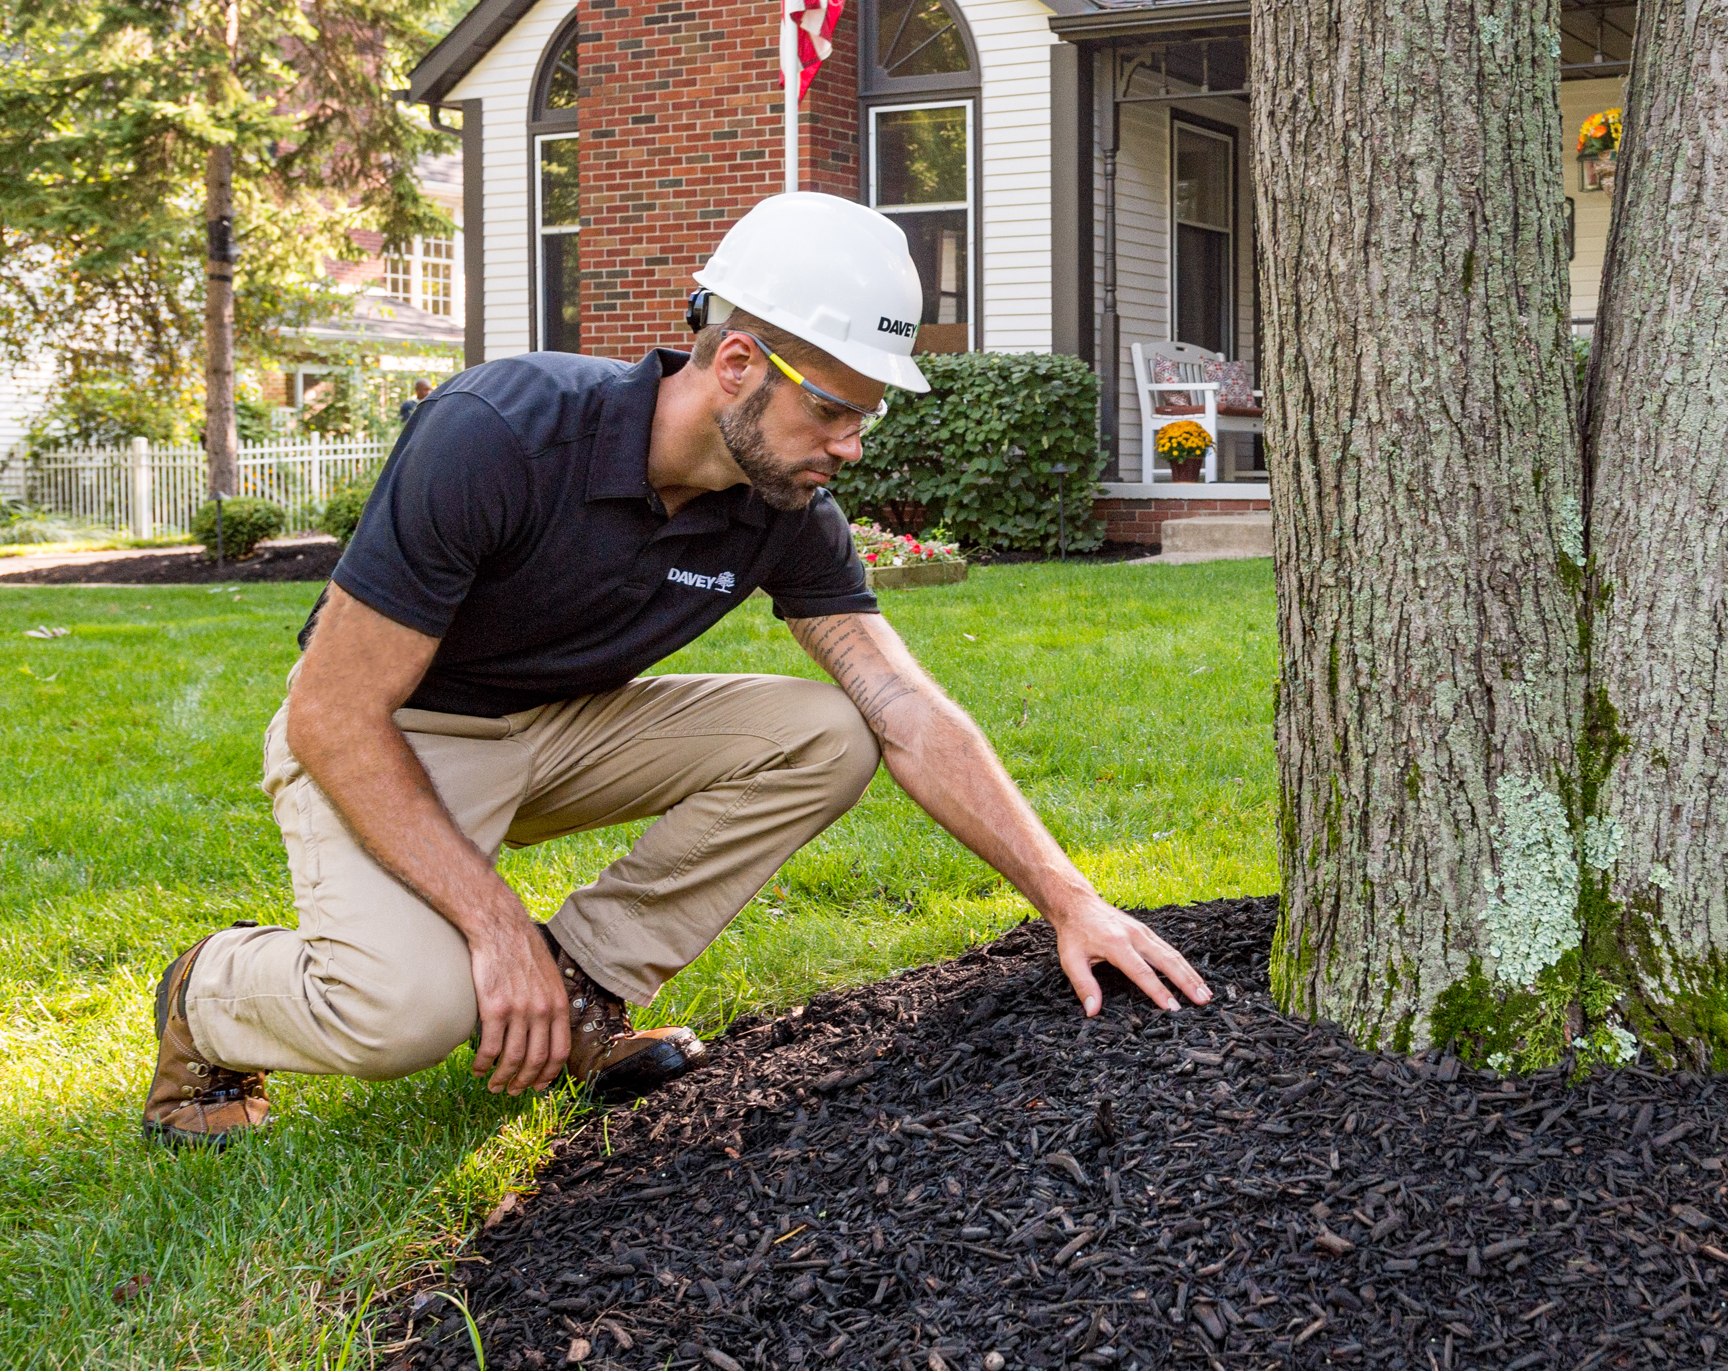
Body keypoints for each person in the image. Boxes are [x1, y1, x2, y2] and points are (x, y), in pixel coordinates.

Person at [144, 192, 1209, 1147]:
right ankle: (209, 991)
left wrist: (1071, 900)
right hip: (397, 732)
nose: (850, 445)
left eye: (867, 415)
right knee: (405, 1014)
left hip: (563, 729)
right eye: (834, 409)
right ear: (737, 363)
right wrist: (494, 924)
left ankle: (582, 990)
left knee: (831, 731)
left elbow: (903, 709)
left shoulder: (784, 503)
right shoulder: (499, 434)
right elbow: (331, 710)